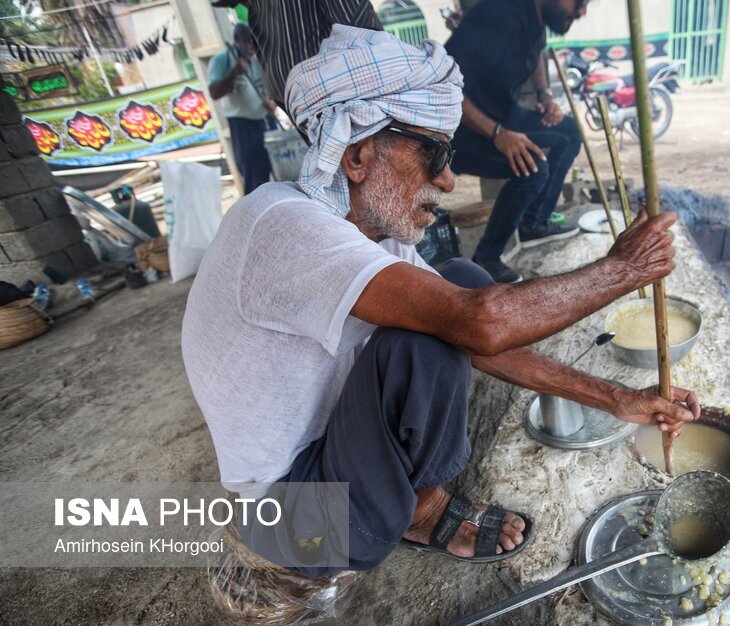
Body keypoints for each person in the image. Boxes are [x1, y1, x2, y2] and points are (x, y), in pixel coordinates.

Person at [182, 28, 699, 576]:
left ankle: (406, 499)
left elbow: (479, 329)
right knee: (430, 336)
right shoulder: (283, 228)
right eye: (434, 153)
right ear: (358, 155)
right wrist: (623, 271)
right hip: (299, 522)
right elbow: (475, 325)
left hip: (325, 460)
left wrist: (616, 398)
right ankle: (422, 512)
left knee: (460, 279)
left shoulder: (371, 229)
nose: (449, 181)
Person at [444, 0, 589, 283]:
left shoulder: (536, 17)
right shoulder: (499, 17)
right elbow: (445, 85)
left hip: (504, 113)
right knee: (533, 167)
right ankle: (486, 257)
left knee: (568, 134)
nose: (582, 11)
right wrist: (498, 134)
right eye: (580, 1)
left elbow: (537, 52)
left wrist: (544, 96)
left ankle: (534, 223)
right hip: (462, 130)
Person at [209, 0, 382, 109]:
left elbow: (359, 30)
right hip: (321, 96)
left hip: (320, 96)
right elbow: (361, 29)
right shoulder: (224, 59)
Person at [208, 22, 278, 194]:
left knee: (276, 170)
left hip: (265, 120)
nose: (250, 46)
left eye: (253, 42)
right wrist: (233, 73)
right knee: (254, 176)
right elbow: (214, 92)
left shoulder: (259, 57)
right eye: (247, 42)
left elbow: (273, 88)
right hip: (243, 124)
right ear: (237, 40)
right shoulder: (222, 60)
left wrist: (272, 102)